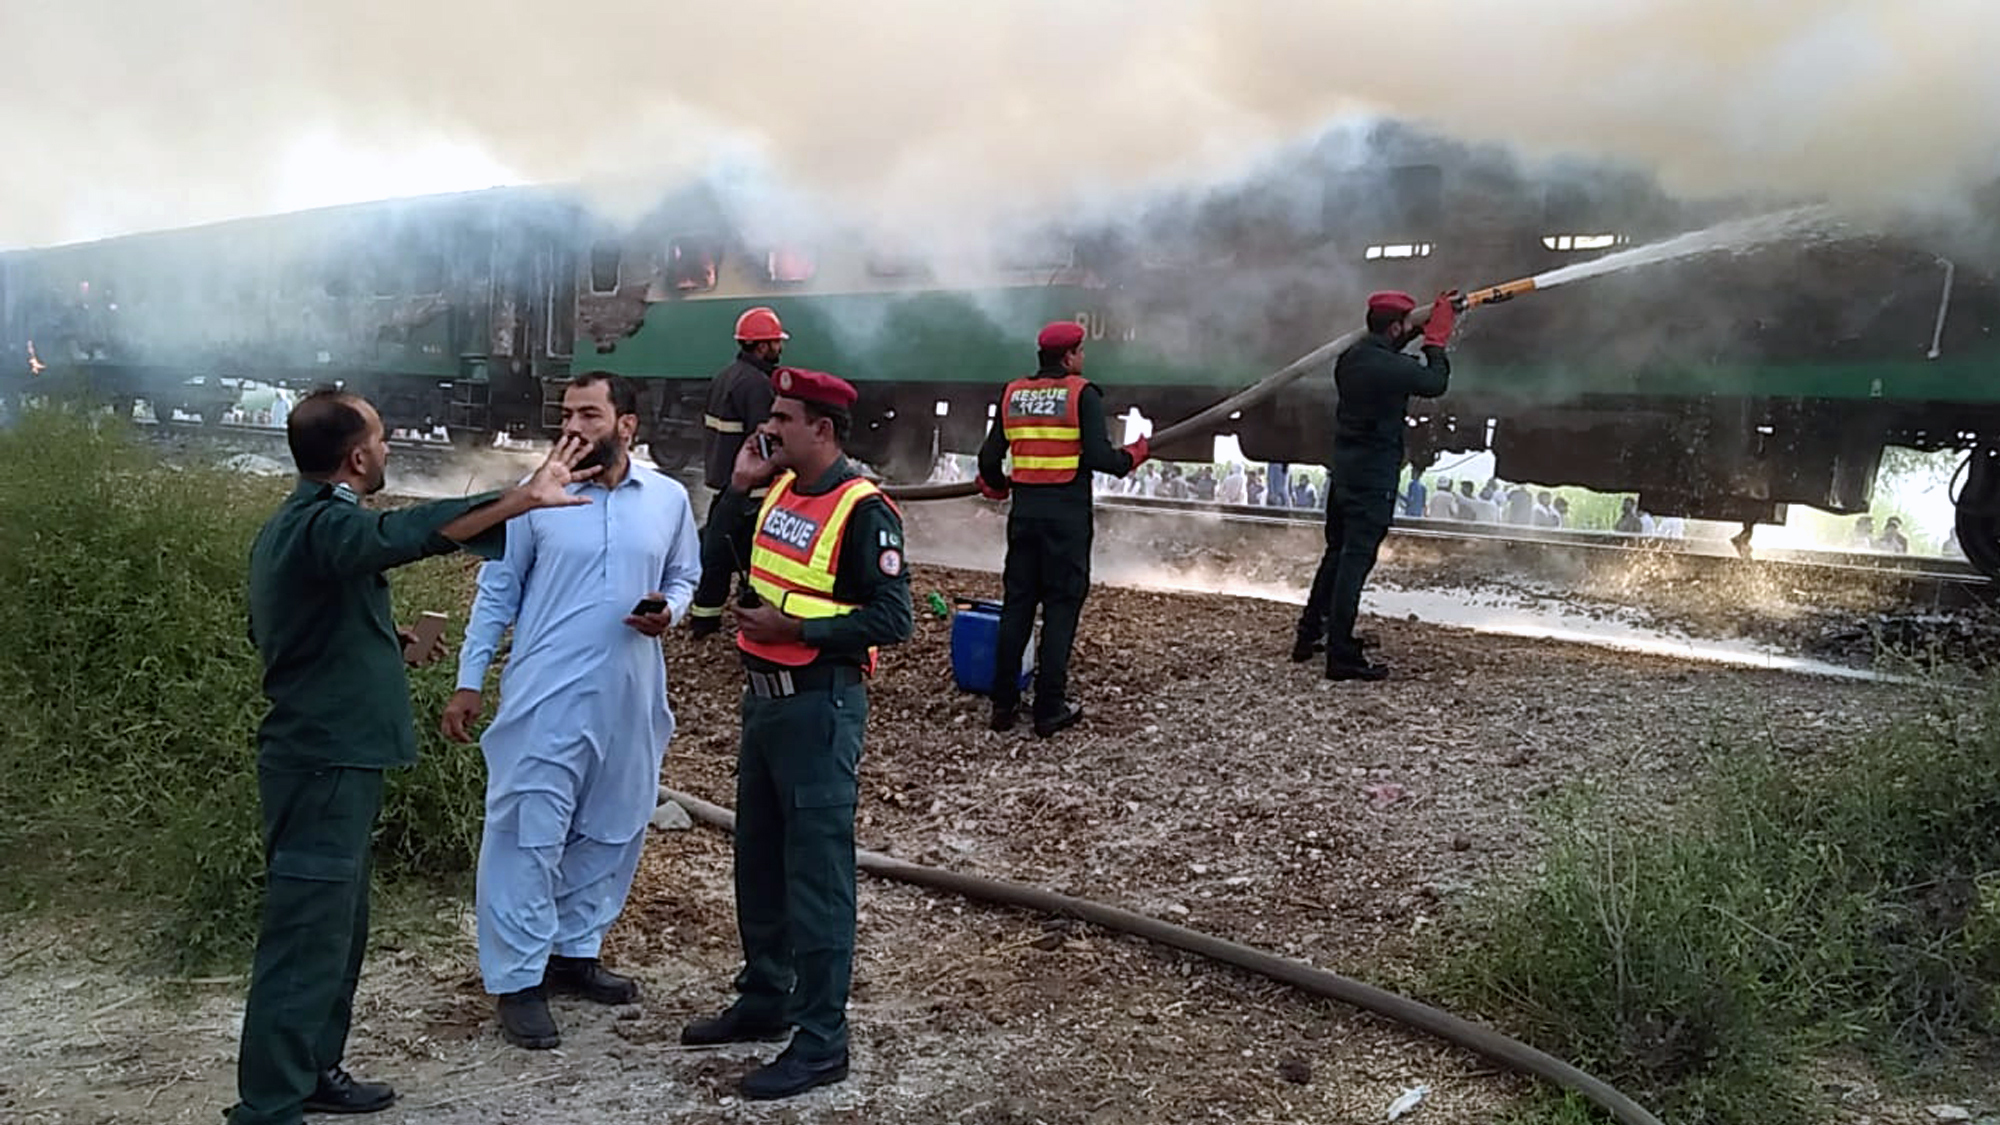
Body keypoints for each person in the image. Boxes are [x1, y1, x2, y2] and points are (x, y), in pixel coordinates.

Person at [230, 389, 599, 1125]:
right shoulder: (326, 524)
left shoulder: (295, 525)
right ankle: (268, 1105)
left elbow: (287, 626)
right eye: (382, 439)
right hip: (321, 761)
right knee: (307, 934)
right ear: (356, 457)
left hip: (335, 760)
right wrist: (520, 499)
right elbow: (403, 535)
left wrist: (384, 642)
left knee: (338, 927)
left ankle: (311, 1071)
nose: (389, 449)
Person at [441, 373, 703, 1050]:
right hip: (546, 695)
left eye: (591, 412)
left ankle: (574, 951)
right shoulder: (536, 499)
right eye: (567, 414)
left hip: (630, 693)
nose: (575, 426)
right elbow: (497, 593)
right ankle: (517, 979)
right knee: (528, 831)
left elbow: (685, 575)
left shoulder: (669, 500)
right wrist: (471, 680)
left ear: (628, 425)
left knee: (613, 826)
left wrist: (668, 610)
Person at [679, 366, 913, 1100]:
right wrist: (739, 485)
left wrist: (798, 627)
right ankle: (766, 996)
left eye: (783, 416)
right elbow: (717, 559)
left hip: (820, 707)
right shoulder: (777, 488)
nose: (768, 424)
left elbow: (894, 619)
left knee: (817, 875)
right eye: (771, 413)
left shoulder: (864, 509)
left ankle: (821, 1040)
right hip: (766, 705)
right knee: (760, 857)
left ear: (823, 428)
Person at [975, 320, 1148, 737]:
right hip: (1067, 521)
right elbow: (1100, 458)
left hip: (1025, 518)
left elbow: (988, 457)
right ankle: (1049, 708)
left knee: (1018, 606)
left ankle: (1003, 706)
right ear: (1069, 356)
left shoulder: (1013, 392)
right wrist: (1137, 453)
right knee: (1060, 609)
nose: (1083, 359)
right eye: (1081, 352)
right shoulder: (1081, 393)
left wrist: (997, 487)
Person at [1291, 289, 1456, 679]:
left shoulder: (1353, 359)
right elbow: (1435, 383)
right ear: (1396, 326)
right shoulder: (1387, 367)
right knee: (1356, 560)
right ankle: (1341, 655)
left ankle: (1309, 635)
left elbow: (1391, 350)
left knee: (1337, 553)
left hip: (1346, 470)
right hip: (1373, 474)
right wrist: (1436, 340)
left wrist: (1419, 327)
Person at [688, 306, 787, 637]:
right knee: (753, 558)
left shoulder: (725, 376)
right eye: (774, 342)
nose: (779, 348)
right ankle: (752, 617)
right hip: (751, 493)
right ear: (761, 346)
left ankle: (704, 619)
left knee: (715, 556)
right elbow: (765, 439)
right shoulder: (758, 385)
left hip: (724, 487)